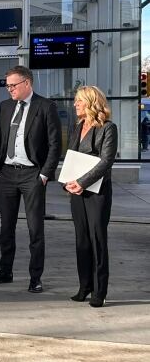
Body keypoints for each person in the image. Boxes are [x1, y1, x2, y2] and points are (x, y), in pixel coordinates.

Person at [0, 65, 61, 293]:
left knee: (35, 229)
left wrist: (45, 174)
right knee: (6, 227)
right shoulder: (5, 106)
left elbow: (55, 144)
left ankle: (35, 277)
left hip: (32, 175)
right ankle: (5, 271)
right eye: (7, 85)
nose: (9, 90)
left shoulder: (46, 106)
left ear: (27, 83)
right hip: (6, 173)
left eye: (13, 85)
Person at [64, 86, 117, 308]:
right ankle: (84, 286)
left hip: (97, 191)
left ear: (91, 102)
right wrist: (68, 182)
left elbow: (106, 161)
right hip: (76, 190)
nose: (75, 104)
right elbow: (72, 156)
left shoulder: (108, 128)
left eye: (79, 101)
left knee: (97, 239)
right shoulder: (78, 127)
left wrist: (82, 182)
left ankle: (99, 290)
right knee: (82, 240)